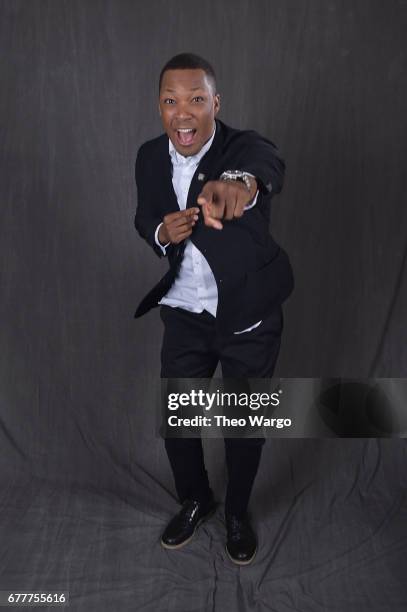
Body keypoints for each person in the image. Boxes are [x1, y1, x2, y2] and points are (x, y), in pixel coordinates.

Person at [134, 52, 294, 565]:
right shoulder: (147, 157)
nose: (184, 113)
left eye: (196, 100)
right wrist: (162, 232)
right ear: (159, 107)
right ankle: (197, 498)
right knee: (177, 420)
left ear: (215, 104)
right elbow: (143, 217)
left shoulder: (241, 146)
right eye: (171, 101)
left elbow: (265, 165)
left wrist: (240, 188)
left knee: (246, 423)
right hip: (184, 313)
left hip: (248, 316)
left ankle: (237, 513)